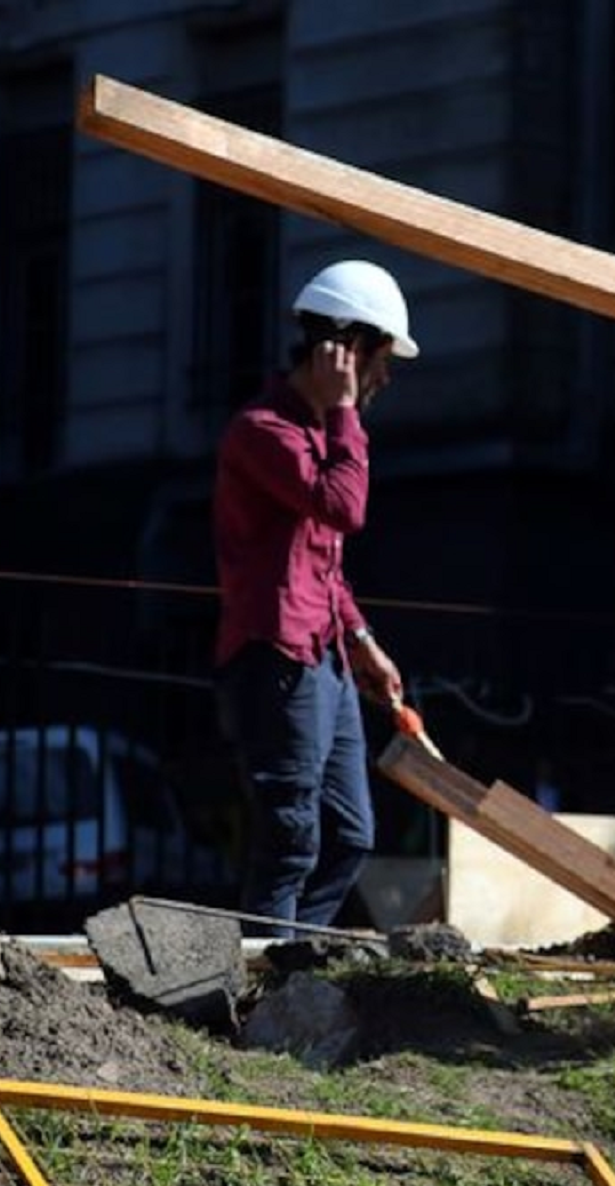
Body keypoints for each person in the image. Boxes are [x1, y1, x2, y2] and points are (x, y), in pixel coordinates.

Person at [212, 259, 413, 937]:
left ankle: (294, 963)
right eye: (382, 360)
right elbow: (343, 508)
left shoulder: (318, 437)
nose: (386, 379)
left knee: (351, 833)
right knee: (290, 842)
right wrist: (347, 412)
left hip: (322, 657)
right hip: (276, 660)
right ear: (348, 351)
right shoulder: (262, 432)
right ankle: (263, 987)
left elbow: (323, 565)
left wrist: (361, 643)